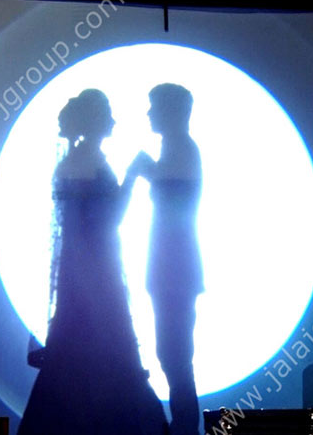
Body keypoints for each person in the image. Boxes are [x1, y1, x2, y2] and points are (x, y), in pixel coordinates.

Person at [18, 89, 167, 435]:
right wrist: (133, 175)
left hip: (87, 278)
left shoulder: (80, 160)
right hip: (95, 280)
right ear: (95, 121)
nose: (113, 120)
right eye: (107, 114)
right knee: (103, 359)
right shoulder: (85, 162)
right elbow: (107, 220)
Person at [130, 83, 204, 435]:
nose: (149, 113)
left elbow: (176, 199)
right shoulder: (177, 148)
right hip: (172, 270)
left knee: (175, 355)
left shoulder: (182, 149)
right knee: (172, 353)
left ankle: (185, 427)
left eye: (154, 106)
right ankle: (183, 425)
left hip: (175, 271)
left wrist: (147, 170)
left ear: (173, 111)